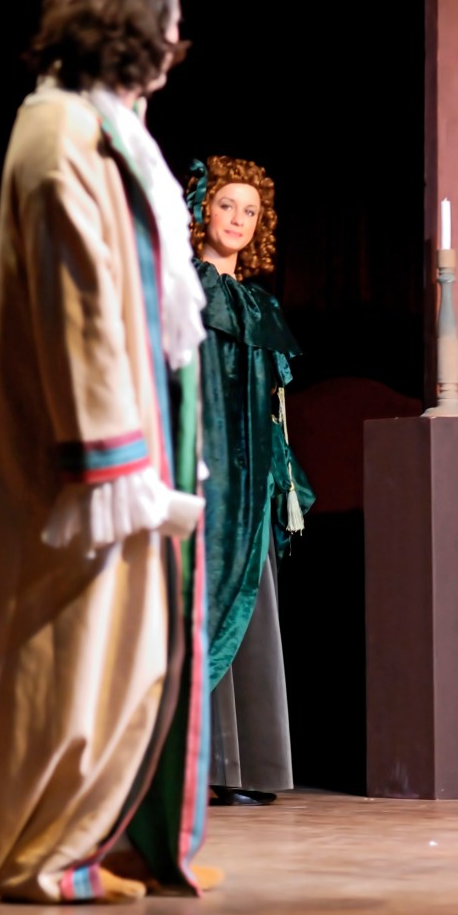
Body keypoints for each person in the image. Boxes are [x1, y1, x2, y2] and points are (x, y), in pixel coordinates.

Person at [0, 0, 214, 905]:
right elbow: (80, 308)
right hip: (83, 458)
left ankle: (96, 838)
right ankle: (40, 851)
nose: (178, 37)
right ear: (132, 23)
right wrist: (114, 465)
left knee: (122, 646)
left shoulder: (105, 127)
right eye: (168, 18)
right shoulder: (61, 136)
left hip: (125, 432)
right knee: (73, 645)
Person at [186, 155, 315, 808]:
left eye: (250, 211)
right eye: (226, 205)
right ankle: (196, 767)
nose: (237, 219)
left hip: (254, 471)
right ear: (202, 210)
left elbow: (272, 404)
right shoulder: (182, 290)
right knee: (202, 603)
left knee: (254, 610)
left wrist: (279, 472)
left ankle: (248, 769)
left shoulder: (260, 305)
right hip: (203, 473)